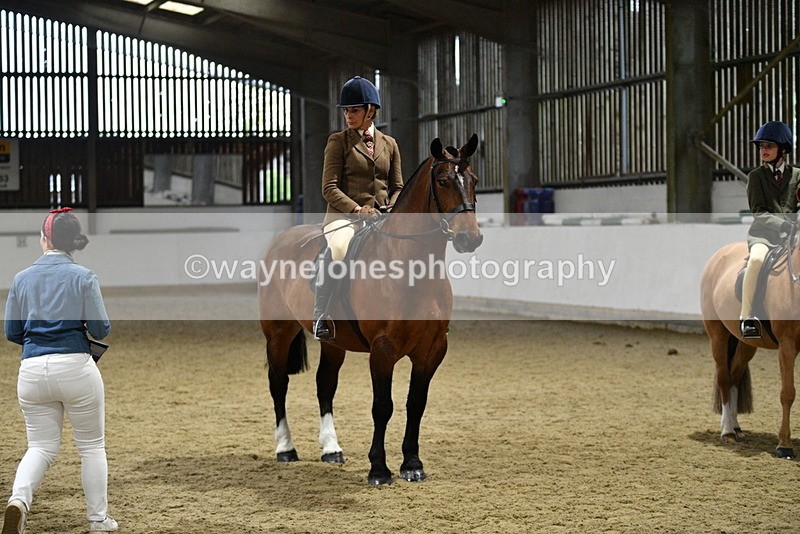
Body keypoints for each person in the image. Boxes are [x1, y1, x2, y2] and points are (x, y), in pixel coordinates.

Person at [2, 208, 117, 533]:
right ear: (72, 242)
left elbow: (12, 333)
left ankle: (18, 501)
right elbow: (101, 329)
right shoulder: (83, 276)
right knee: (92, 447)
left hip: (33, 370)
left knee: (39, 447)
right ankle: (98, 521)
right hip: (75, 367)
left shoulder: (22, 278)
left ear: (45, 239)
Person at [312, 76, 404, 341]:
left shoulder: (390, 143)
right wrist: (356, 210)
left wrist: (391, 207)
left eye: (354, 110)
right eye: (346, 111)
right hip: (344, 217)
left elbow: (398, 186)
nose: (348, 116)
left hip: (381, 218)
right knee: (339, 247)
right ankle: (322, 313)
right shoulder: (337, 142)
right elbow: (329, 188)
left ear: (371, 111)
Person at [740, 121, 800, 338]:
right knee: (756, 261)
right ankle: (746, 317)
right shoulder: (756, 177)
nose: (763, 150)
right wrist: (785, 224)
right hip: (764, 236)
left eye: (769, 146)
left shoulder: (797, 175)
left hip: (792, 236)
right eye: (761, 146)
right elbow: (759, 212)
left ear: (782, 150)